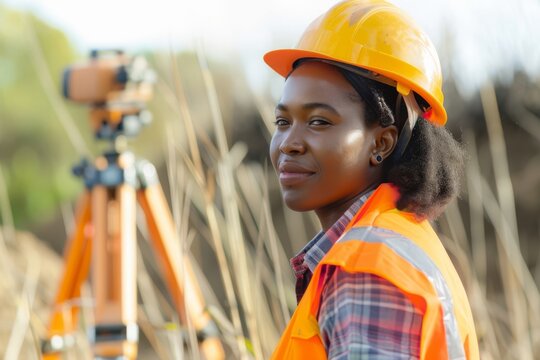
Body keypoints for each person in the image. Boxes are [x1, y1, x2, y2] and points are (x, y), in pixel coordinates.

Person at [263, 0, 480, 359]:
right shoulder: (394, 241)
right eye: (282, 122)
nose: (289, 143)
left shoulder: (367, 271)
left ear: (381, 142)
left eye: (318, 121)